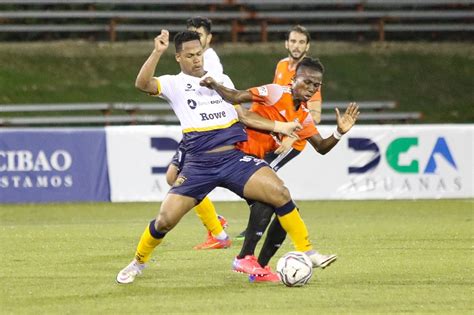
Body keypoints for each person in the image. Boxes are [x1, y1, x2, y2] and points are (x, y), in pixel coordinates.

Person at [116, 30, 329, 284]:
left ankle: (304, 250)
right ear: (178, 57)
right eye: (190, 55)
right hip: (199, 163)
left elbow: (245, 116)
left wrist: (281, 128)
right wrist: (156, 51)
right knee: (165, 220)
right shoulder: (173, 83)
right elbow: (142, 84)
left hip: (233, 158)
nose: (197, 59)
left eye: (199, 54)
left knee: (280, 193)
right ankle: (138, 262)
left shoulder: (219, 79)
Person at [200, 57, 359, 282]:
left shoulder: (303, 114)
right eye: (307, 82)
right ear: (294, 79)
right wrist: (214, 84)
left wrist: (340, 132)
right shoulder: (275, 93)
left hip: (255, 162)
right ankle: (253, 256)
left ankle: (259, 268)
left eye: (316, 85)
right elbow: (236, 97)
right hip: (236, 155)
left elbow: (321, 147)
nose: (311, 88)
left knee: (283, 209)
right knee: (279, 202)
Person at [234, 25, 320, 242]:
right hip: (271, 136)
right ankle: (260, 224)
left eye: (301, 42)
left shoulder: (308, 75)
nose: (296, 46)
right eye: (293, 41)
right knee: (255, 178)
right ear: (286, 43)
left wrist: (291, 135)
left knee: (264, 179)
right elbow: (274, 99)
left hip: (291, 142)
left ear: (307, 46)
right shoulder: (282, 65)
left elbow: (314, 115)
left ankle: (264, 227)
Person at [165, 17, 230, 250]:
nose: (194, 39)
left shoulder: (210, 61)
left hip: (208, 131)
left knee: (178, 177)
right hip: (197, 129)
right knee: (173, 176)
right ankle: (215, 226)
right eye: (190, 33)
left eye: (199, 35)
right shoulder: (196, 57)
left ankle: (217, 230)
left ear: (208, 39)